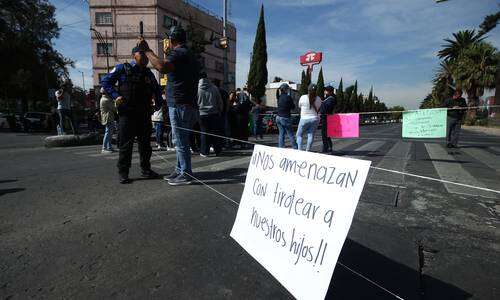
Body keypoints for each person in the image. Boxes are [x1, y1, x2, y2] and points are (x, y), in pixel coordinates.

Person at [138, 26, 200, 186]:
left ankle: (185, 173)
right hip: (186, 103)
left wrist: (147, 50)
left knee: (180, 140)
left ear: (172, 40)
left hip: (179, 103)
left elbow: (162, 67)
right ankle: (180, 170)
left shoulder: (179, 53)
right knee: (180, 139)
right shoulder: (188, 54)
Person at [100, 46, 163, 184]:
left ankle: (146, 170)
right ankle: (123, 172)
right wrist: (115, 96)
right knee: (125, 144)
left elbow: (157, 89)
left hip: (144, 114)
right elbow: (105, 81)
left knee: (145, 145)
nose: (146, 58)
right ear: (134, 55)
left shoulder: (148, 73)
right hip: (127, 114)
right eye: (142, 54)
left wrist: (159, 102)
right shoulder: (123, 68)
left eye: (147, 55)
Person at [197, 74, 224, 156]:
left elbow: (194, 102)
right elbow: (220, 101)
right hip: (214, 113)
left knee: (204, 133)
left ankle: (205, 152)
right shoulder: (214, 88)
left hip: (201, 114)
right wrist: (220, 110)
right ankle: (217, 150)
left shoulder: (196, 88)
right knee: (215, 133)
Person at [296, 83, 321, 151]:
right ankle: (308, 150)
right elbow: (319, 108)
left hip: (304, 118)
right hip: (314, 119)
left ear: (308, 90)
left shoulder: (303, 97)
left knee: (299, 135)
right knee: (310, 135)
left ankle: (299, 150)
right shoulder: (318, 99)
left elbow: (299, 106)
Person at [276, 83, 297, 149]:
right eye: (287, 89)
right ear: (285, 89)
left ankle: (281, 147)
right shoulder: (288, 97)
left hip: (278, 117)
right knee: (290, 133)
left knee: (281, 133)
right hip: (285, 117)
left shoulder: (279, 97)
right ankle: (295, 147)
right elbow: (293, 107)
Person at [319, 86, 336, 153]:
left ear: (329, 91)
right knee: (326, 134)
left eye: (326, 90)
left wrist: (322, 108)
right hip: (325, 118)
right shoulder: (328, 98)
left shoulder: (330, 99)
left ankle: (326, 148)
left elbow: (327, 109)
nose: (324, 91)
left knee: (325, 134)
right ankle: (328, 147)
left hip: (326, 118)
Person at [99, 87, 117, 153]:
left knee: (109, 133)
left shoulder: (104, 98)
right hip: (108, 117)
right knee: (108, 133)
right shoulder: (106, 99)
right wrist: (116, 101)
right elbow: (114, 108)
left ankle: (109, 147)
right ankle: (104, 148)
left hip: (108, 117)